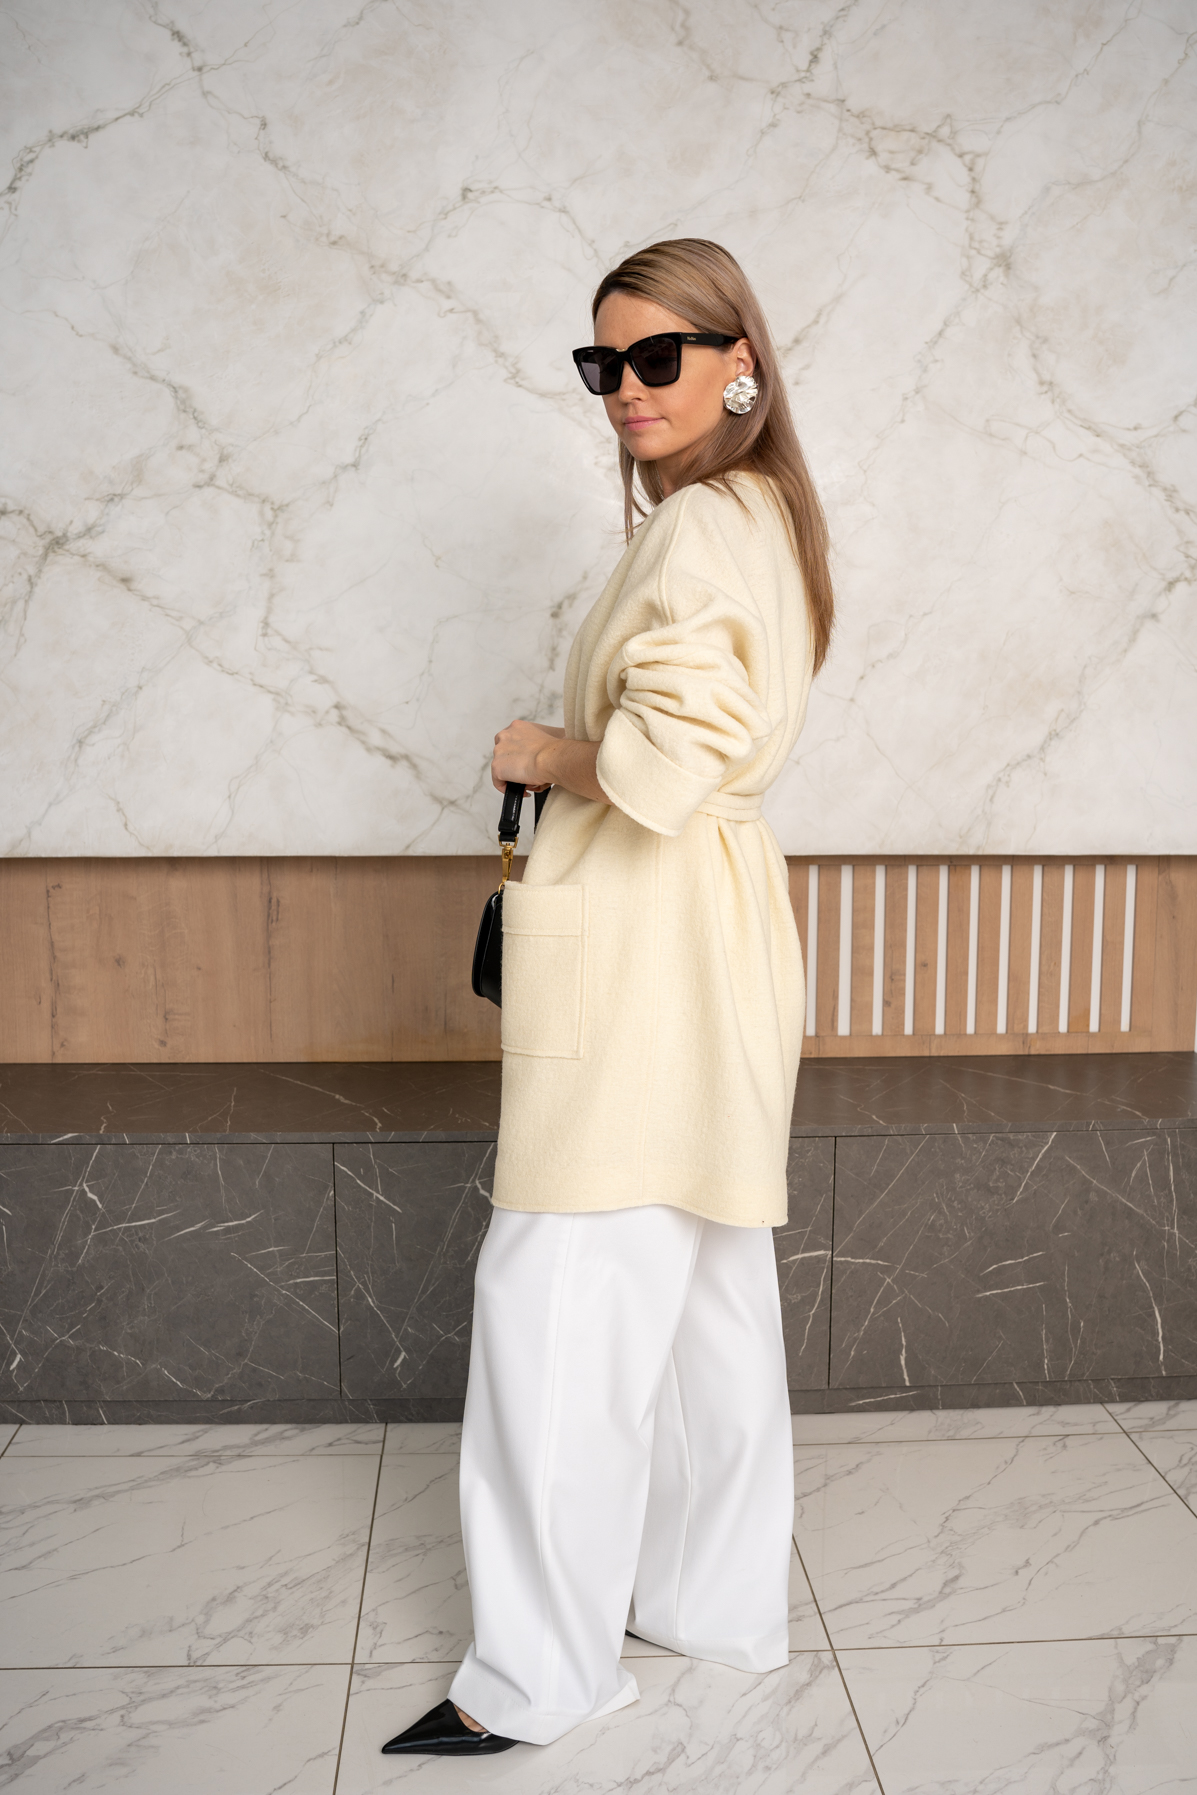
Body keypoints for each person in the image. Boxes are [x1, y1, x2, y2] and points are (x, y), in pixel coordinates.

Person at [383, 237, 834, 1758]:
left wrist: (540, 752)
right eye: (603, 363)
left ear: (737, 364)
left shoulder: (701, 526)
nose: (626, 390)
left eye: (657, 357)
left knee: (558, 1298)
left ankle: (536, 1676)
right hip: (711, 934)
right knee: (702, 1285)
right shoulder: (764, 515)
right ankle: (709, 1602)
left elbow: (659, 762)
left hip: (647, 941)